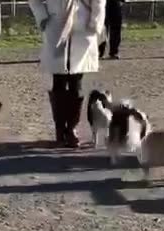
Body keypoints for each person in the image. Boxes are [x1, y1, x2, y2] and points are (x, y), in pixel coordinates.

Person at [29, 0, 106, 148]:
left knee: (76, 81)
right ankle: (60, 128)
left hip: (82, 26)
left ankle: (71, 128)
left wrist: (96, 20)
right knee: (58, 79)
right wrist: (42, 16)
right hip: (56, 24)